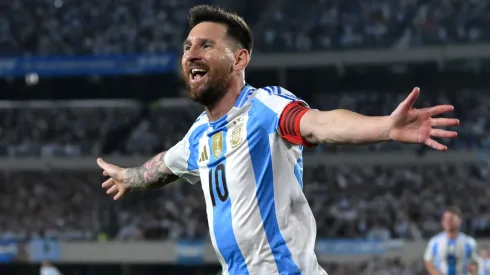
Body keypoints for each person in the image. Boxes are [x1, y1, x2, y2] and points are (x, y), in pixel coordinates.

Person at [97, 5, 459, 275]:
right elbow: (163, 166)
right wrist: (129, 177)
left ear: (240, 59)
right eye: (188, 46)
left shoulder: (264, 107)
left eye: (206, 45)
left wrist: (385, 127)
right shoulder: (198, 135)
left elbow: (319, 123)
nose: (191, 53)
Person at [424, 206, 479, 275]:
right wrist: (434, 272)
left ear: (459, 221)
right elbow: (428, 259)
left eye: (451, 219)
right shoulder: (435, 241)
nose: (448, 222)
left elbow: (474, 263)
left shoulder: (469, 242)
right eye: (445, 219)